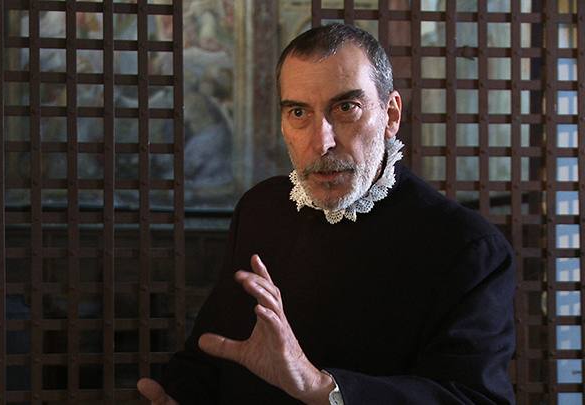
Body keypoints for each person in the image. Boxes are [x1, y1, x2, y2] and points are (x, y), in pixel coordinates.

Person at [138, 23, 515, 405]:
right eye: (299, 112)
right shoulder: (261, 208)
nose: (322, 142)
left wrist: (322, 387)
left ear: (391, 115)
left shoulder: (468, 248)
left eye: (346, 108)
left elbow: (475, 399)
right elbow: (212, 355)